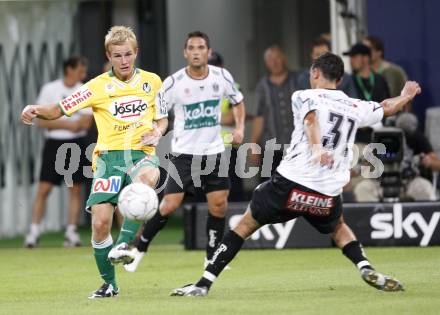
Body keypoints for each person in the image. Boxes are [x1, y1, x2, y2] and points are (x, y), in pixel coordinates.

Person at [170, 52, 421, 297]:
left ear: (314, 73)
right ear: (340, 79)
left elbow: (311, 120)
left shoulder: (303, 94)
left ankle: (203, 283)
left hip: (291, 184)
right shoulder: (354, 105)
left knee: (243, 226)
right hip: (326, 193)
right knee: (338, 227)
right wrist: (404, 96)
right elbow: (386, 108)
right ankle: (365, 267)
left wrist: (316, 148)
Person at [21, 26, 168, 298]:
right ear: (108, 56)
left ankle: (123, 244)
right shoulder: (97, 87)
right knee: (100, 223)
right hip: (108, 160)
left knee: (146, 182)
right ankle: (110, 285)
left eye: (127, 54)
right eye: (117, 55)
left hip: (141, 153)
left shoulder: (153, 82)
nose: (124, 61)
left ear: (136, 52)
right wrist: (35, 109)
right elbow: (58, 110)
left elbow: (162, 117)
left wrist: (158, 131)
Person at [119, 31, 245, 272]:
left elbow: (238, 101)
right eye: (191, 48)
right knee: (168, 205)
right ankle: (139, 250)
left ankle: (210, 257)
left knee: (218, 205)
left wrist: (239, 128)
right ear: (185, 53)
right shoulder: (173, 83)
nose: (196, 52)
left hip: (214, 153)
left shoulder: (222, 77)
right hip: (184, 154)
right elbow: (159, 113)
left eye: (201, 47)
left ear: (208, 52)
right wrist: (155, 132)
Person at [24, 56, 93, 248]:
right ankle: (34, 231)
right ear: (68, 70)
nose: (83, 74)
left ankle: (71, 232)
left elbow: (86, 123)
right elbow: (41, 120)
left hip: (76, 144)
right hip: (53, 144)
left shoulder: (84, 90)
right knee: (44, 188)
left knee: (75, 189)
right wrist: (69, 124)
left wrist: (58, 123)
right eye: (80, 70)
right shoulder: (50, 89)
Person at [250, 45, 299, 177]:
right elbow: (259, 117)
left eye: (277, 58)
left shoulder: (298, 80)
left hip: (296, 146)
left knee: (295, 188)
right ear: (266, 64)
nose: (274, 62)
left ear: (284, 59)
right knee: (269, 187)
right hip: (270, 148)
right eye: (271, 59)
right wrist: (254, 144)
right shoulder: (262, 86)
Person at [208, 51, 245, 201]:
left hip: (227, 146)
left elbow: (230, 117)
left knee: (233, 189)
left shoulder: (233, 87)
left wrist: (203, 117)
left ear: (222, 67)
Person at [344, 43, 390, 143]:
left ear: (365, 58)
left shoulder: (380, 80)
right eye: (350, 57)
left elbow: (387, 103)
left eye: (354, 57)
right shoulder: (349, 81)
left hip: (379, 130)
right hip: (358, 133)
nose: (351, 61)